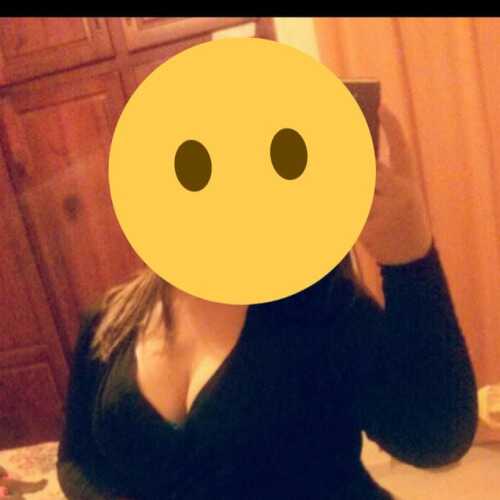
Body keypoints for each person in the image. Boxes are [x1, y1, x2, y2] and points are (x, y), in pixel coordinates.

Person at [57, 108, 478, 499]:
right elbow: (78, 463)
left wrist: (410, 260)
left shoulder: (319, 306)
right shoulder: (108, 321)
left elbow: (436, 438)